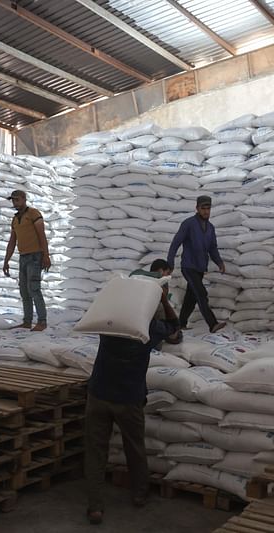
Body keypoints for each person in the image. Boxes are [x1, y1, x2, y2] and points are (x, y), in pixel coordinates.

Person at [84, 283, 180, 525]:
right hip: (128, 399)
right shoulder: (148, 329)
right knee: (135, 449)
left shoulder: (110, 325)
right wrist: (164, 300)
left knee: (96, 451)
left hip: (98, 395)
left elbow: (100, 310)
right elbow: (174, 329)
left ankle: (95, 506)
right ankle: (139, 493)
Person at [166, 195, 226, 333]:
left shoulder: (210, 228)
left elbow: (212, 248)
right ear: (197, 208)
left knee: (190, 298)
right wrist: (170, 262)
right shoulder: (188, 224)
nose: (206, 211)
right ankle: (212, 324)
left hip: (200, 268)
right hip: (188, 266)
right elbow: (176, 243)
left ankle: (180, 324)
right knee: (201, 292)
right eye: (203, 208)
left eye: (208, 208)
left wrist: (219, 262)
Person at [2, 190, 51, 332]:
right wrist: (6, 261)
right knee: (24, 290)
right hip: (23, 257)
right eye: (13, 200)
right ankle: (27, 321)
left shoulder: (34, 214)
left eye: (17, 200)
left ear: (24, 199)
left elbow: (42, 236)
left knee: (34, 289)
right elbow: (12, 241)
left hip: (35, 256)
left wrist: (46, 255)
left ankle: (42, 321)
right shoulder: (15, 219)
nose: (14, 203)